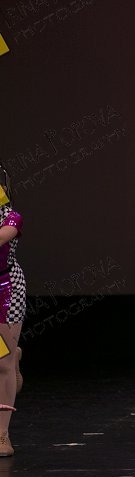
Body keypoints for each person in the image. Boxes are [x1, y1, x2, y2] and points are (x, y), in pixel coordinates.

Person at [0, 172, 25, 456]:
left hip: (6, 290)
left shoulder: (11, 218)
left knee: (2, 364)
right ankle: (12, 356)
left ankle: (2, 435)